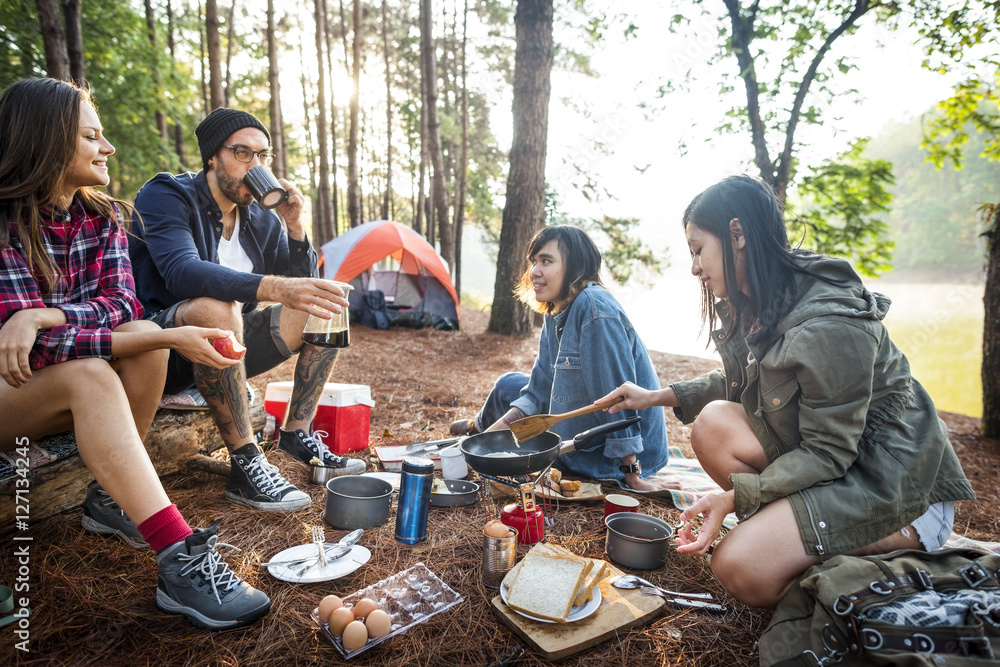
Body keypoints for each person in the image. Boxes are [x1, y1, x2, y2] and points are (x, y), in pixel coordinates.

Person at [599, 174, 975, 608]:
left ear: (736, 234)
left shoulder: (828, 324)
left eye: (698, 249)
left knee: (738, 565)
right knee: (713, 424)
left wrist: (735, 497)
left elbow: (829, 453)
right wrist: (654, 396)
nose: (694, 267)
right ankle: (797, 540)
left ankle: (882, 555)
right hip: (841, 470)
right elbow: (752, 387)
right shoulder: (767, 298)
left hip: (895, 489)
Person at [0, 77, 270, 629]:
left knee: (143, 339)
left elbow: (122, 305)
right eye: (92, 136)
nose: (109, 148)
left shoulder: (102, 217)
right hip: (11, 390)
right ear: (47, 141)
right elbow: (40, 352)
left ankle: (109, 499)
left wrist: (46, 314)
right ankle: (179, 556)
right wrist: (163, 335)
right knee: (92, 373)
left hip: (56, 374)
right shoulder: (5, 221)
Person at [129, 107, 364, 513]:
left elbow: (302, 286)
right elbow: (181, 273)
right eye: (243, 153)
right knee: (215, 309)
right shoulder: (167, 195)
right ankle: (246, 463)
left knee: (328, 301)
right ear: (212, 157)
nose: (256, 166)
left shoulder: (262, 218)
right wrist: (272, 287)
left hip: (226, 348)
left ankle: (296, 433)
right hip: (162, 348)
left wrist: (295, 226)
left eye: (264, 156)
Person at [450, 225, 676, 491]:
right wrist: (480, 448)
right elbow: (537, 394)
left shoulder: (594, 309)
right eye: (534, 262)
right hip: (579, 427)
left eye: (546, 261)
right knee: (509, 384)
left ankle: (629, 466)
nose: (534, 271)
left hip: (611, 458)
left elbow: (617, 396)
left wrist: (632, 474)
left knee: (514, 391)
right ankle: (479, 429)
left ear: (575, 266)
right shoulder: (555, 311)